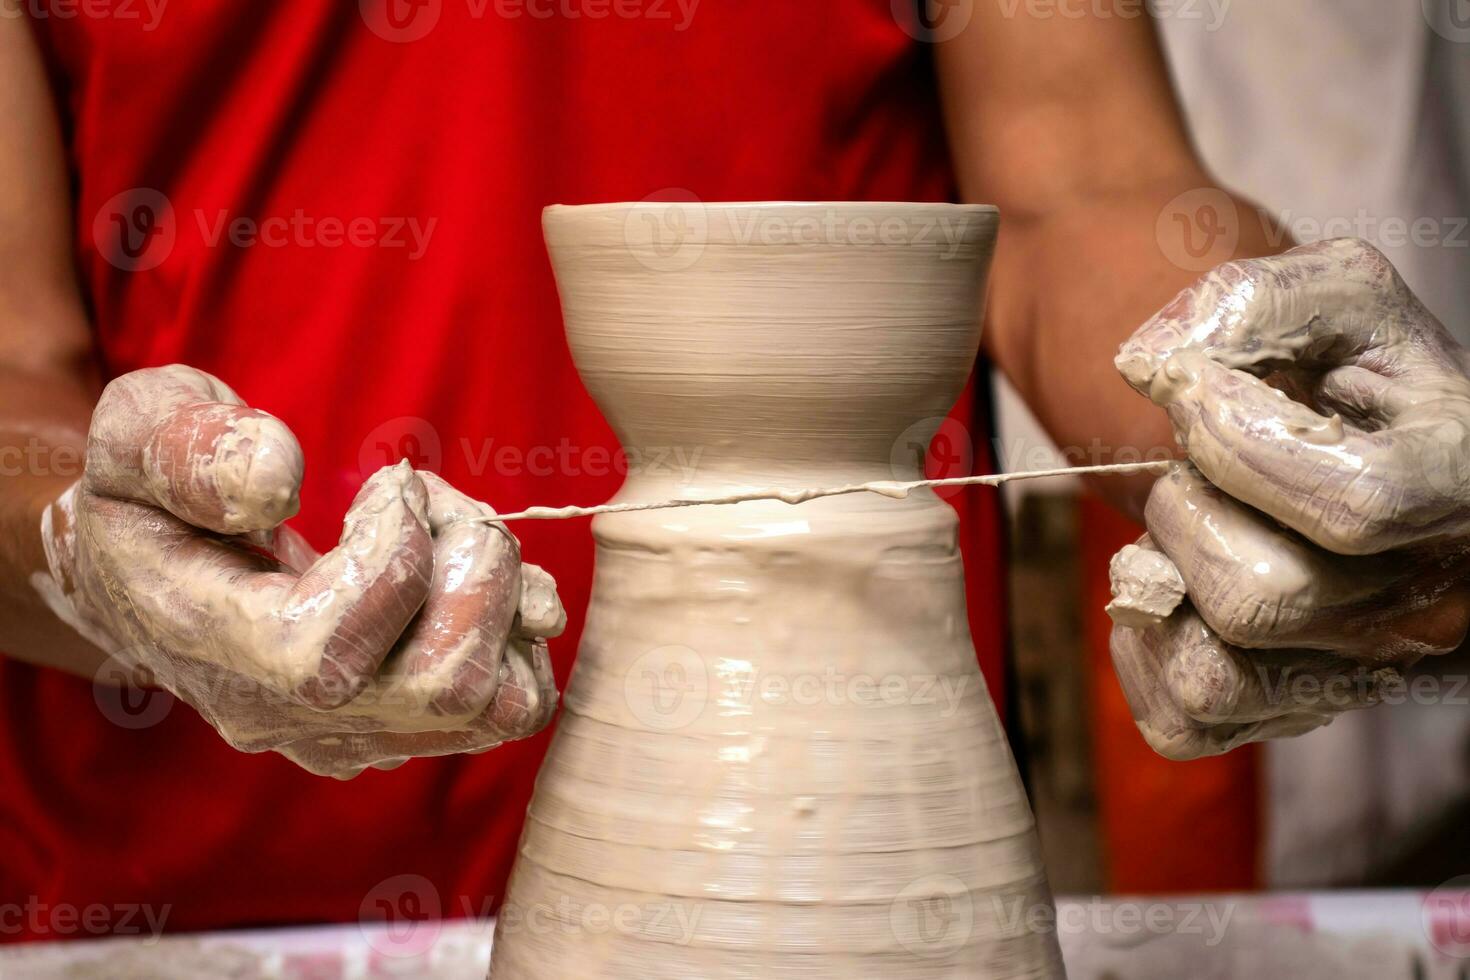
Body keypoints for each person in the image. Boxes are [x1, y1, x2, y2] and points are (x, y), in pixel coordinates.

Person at [2, 0, 1466, 941]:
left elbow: (1075, 181)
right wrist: (101, 549)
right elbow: (12, 362)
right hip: (191, 881)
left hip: (866, 829)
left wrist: (1273, 420)